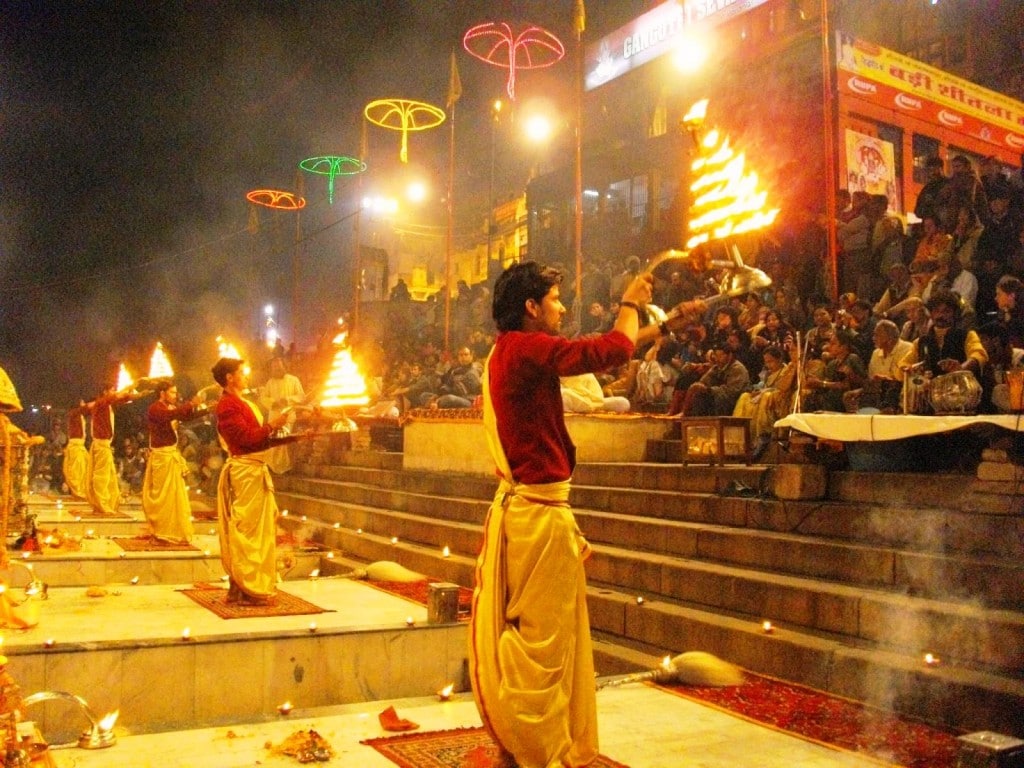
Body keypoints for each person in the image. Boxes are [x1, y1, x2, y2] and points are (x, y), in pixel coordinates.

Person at [469, 260, 653, 768]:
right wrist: (630, 303)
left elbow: (607, 349)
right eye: (554, 298)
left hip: (531, 512)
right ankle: (536, 748)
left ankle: (519, 742)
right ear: (531, 307)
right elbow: (607, 350)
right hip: (539, 517)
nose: (562, 306)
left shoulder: (509, 350)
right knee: (544, 642)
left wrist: (660, 323)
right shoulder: (526, 347)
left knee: (536, 633)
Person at [212, 357, 292, 606]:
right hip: (245, 471)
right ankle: (246, 587)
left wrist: (289, 436)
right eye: (241, 373)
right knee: (247, 530)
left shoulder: (242, 402)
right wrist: (273, 425)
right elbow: (245, 438)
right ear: (229, 378)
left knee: (256, 531)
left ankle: (242, 587)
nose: (246, 376)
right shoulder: (227, 405)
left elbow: (258, 439)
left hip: (255, 469)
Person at [141, 381, 205, 544]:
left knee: (174, 497)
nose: (175, 396)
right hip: (162, 457)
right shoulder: (155, 408)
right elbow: (171, 415)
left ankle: (173, 530)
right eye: (172, 392)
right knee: (162, 498)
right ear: (162, 393)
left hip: (170, 457)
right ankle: (161, 531)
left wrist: (207, 408)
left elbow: (185, 415)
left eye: (175, 393)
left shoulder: (169, 408)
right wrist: (191, 403)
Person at [87, 380, 141, 515]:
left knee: (109, 476)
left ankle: (107, 502)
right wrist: (131, 385)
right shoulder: (100, 403)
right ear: (105, 392)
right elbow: (115, 397)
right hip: (101, 445)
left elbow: (121, 399)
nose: (114, 392)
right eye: (112, 389)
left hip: (104, 445)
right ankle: (101, 504)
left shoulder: (107, 405)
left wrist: (136, 395)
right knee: (102, 476)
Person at [257, 356, 306, 474]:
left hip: (288, 416)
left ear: (284, 366)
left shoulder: (294, 380)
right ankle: (272, 466)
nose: (276, 370)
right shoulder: (270, 382)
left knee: (283, 439)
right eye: (274, 368)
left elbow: (301, 396)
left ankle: (285, 467)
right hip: (274, 416)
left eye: (278, 367)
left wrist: (287, 400)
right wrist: (273, 403)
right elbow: (263, 397)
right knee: (273, 441)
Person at [62, 401, 91, 499]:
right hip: (75, 446)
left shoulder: (80, 415)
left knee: (85, 468)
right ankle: (78, 492)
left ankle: (83, 491)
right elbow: (86, 408)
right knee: (77, 470)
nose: (83, 403)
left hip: (80, 446)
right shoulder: (74, 413)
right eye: (82, 402)